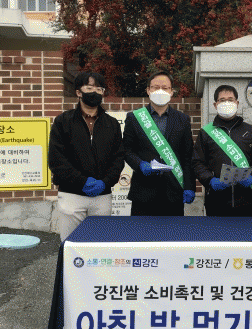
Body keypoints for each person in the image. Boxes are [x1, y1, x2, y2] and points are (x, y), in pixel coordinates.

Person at [48, 72, 125, 241]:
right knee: (70, 244)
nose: (94, 92)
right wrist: (82, 181)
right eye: (89, 88)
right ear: (78, 92)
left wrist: (105, 182)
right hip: (72, 195)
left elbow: (118, 158)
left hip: (102, 196)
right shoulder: (63, 121)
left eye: (99, 89)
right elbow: (56, 159)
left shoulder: (111, 124)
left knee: (99, 244)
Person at [123, 70, 195, 216]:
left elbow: (187, 156)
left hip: (174, 192)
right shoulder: (134, 118)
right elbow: (126, 150)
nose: (160, 91)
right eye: (155, 87)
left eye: (165, 88)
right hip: (143, 192)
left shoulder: (182, 119)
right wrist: (140, 164)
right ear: (148, 90)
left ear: (171, 92)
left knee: (173, 231)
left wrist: (189, 186)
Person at [192, 85, 252, 216]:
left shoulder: (250, 130)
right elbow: (197, 162)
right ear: (215, 105)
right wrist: (210, 180)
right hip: (216, 201)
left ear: (237, 103)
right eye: (222, 100)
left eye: (230, 100)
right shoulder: (206, 132)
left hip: (246, 200)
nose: (227, 103)